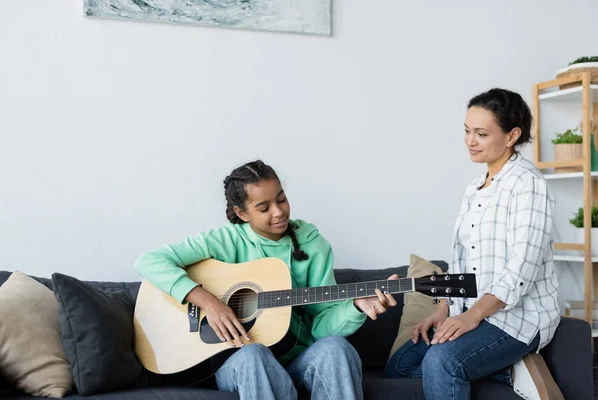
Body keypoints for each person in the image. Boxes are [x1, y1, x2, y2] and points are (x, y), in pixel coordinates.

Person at [134, 160, 398, 400]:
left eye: (281, 199)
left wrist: (353, 307)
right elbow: (148, 261)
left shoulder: (314, 246)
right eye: (264, 208)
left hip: (298, 361)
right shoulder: (224, 240)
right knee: (253, 354)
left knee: (336, 348)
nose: (279, 212)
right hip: (241, 364)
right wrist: (207, 301)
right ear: (242, 213)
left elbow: (320, 329)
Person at [385, 88, 564, 400]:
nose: (470, 141)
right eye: (467, 131)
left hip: (518, 318)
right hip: (472, 310)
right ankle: (508, 371)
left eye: (481, 134)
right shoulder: (474, 189)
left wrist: (470, 317)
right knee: (400, 364)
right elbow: (460, 264)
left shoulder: (528, 185)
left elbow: (520, 270)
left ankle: (510, 360)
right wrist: (444, 309)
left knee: (442, 361)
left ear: (512, 136)